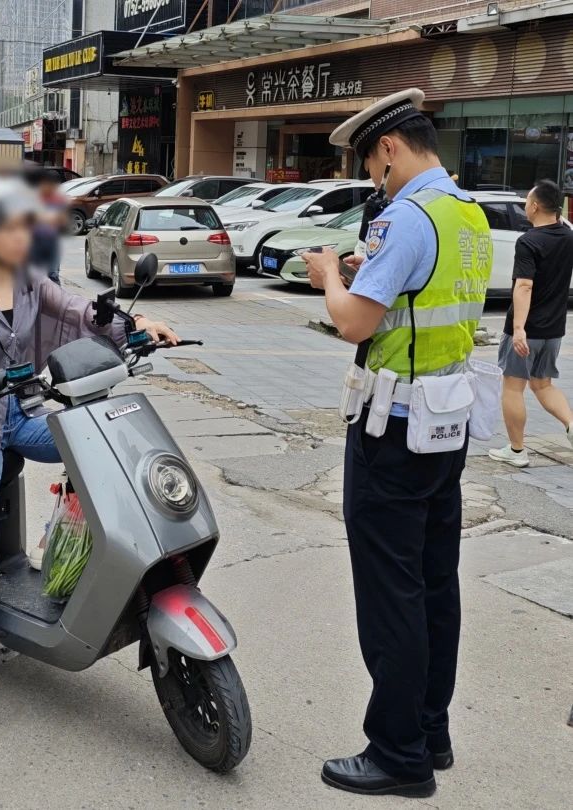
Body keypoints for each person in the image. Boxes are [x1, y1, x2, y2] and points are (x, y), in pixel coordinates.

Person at [0, 176, 177, 743]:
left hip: (16, 414)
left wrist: (136, 326)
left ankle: (63, 550)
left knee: (98, 448)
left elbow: (82, 313)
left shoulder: (31, 284)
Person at [304, 88, 493, 798]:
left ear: (389, 148)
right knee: (435, 583)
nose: (373, 182)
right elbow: (419, 302)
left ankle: (397, 753)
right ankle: (430, 731)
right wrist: (368, 281)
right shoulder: (466, 213)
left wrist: (329, 276)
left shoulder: (406, 217)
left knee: (392, 595)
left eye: (370, 166)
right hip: (446, 426)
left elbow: (354, 323)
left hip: (394, 432)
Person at [488, 180, 573, 467]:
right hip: (554, 329)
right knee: (543, 385)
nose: (525, 205)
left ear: (535, 206)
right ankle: (572, 425)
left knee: (514, 388)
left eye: (527, 201)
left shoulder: (529, 241)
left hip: (528, 329)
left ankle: (516, 451)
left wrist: (519, 329)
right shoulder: (568, 236)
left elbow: (524, 286)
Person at [24, 167, 68, 284]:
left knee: (53, 274)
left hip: (52, 240)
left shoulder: (59, 199)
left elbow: (62, 221)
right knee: (35, 275)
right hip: (35, 240)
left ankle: (54, 293)